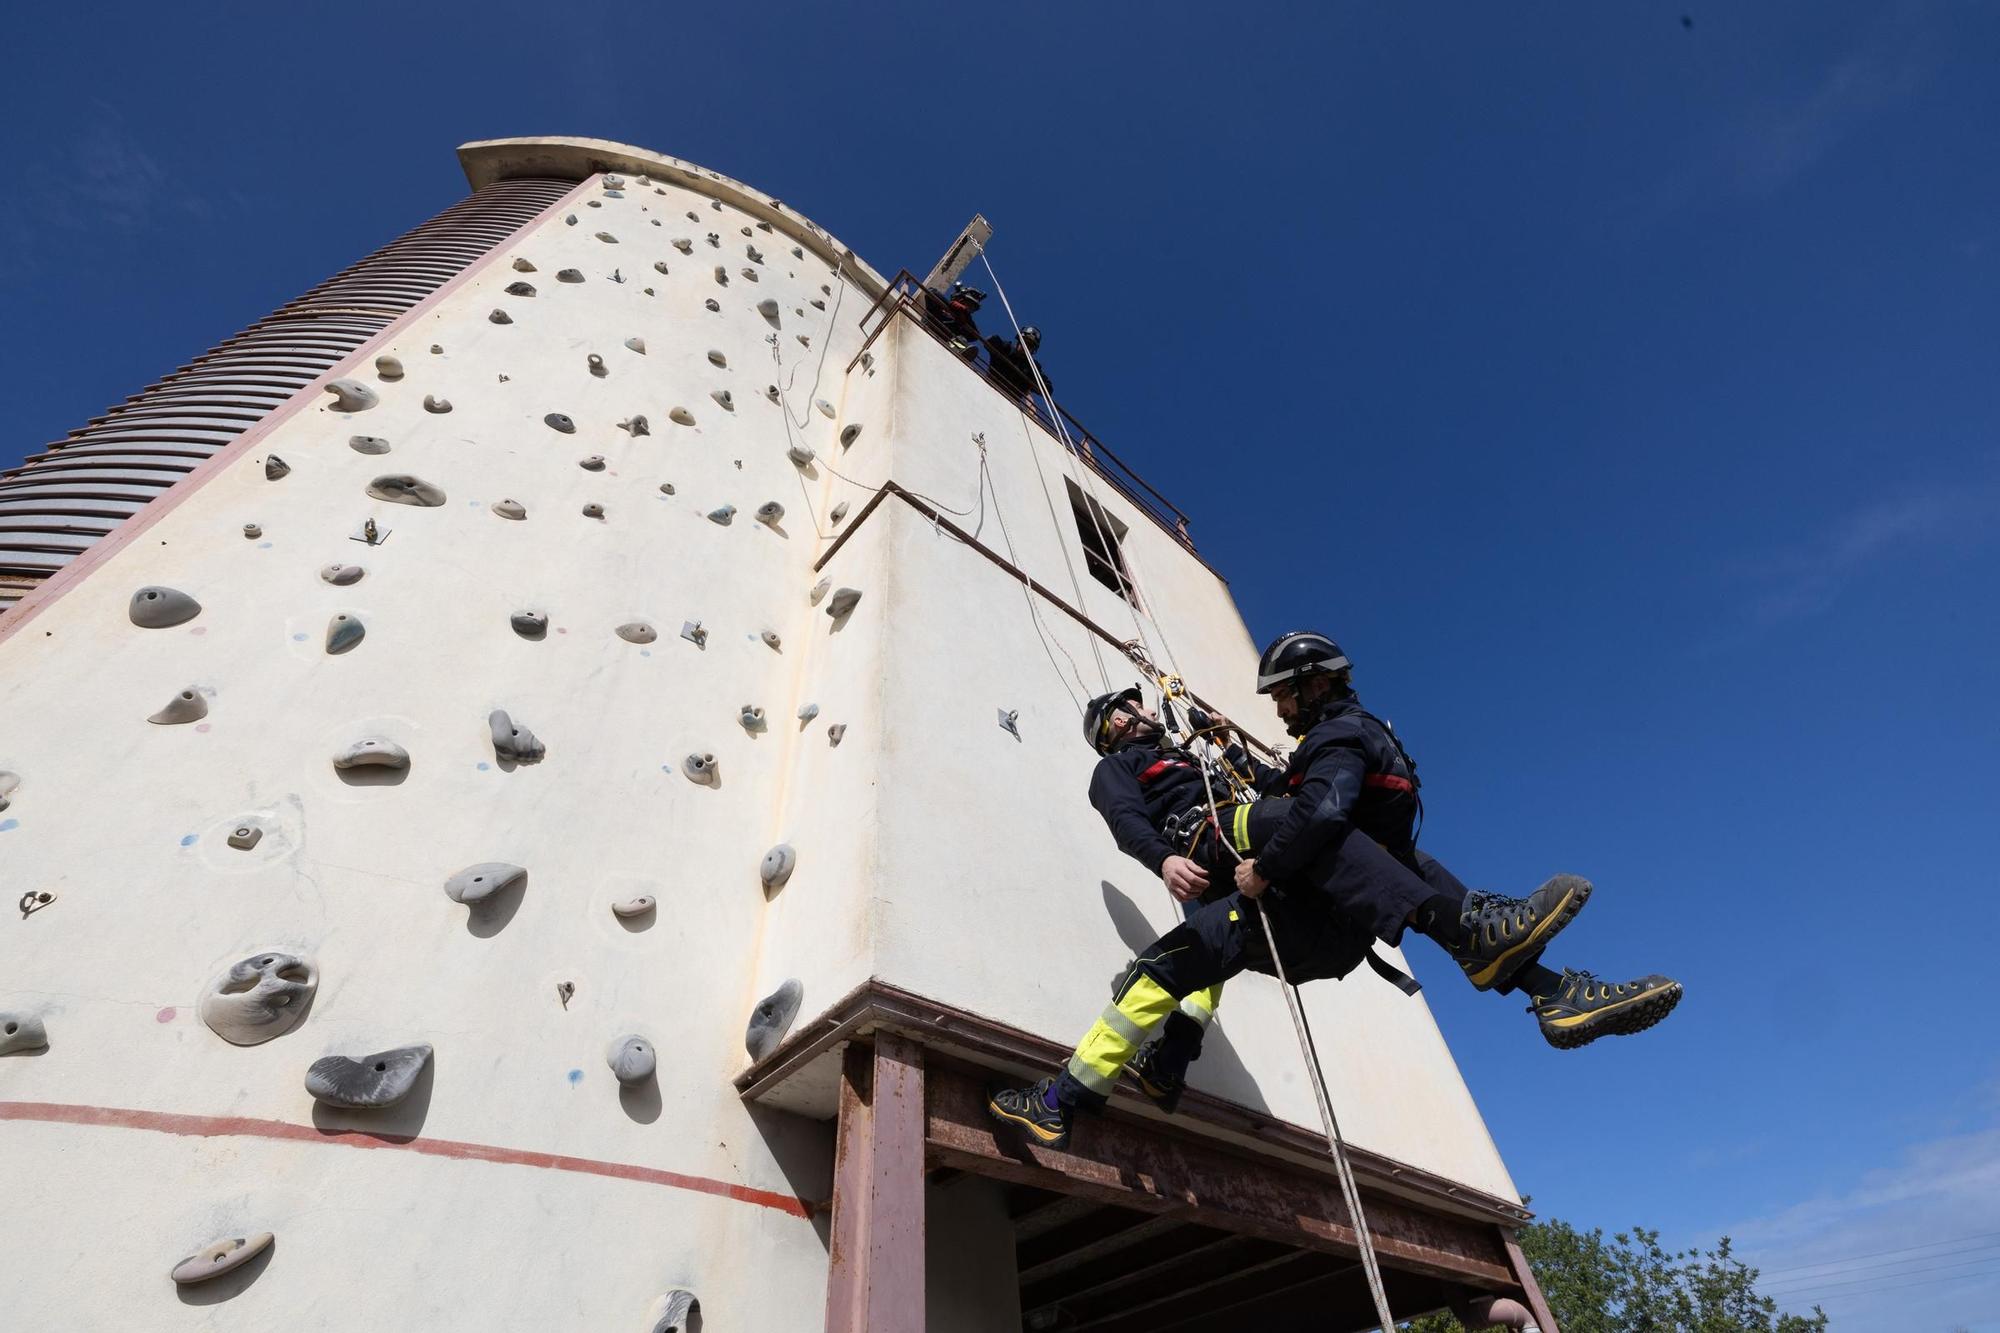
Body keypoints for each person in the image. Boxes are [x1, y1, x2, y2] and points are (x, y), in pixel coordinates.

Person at [987, 634, 1683, 1150]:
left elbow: (1273, 792)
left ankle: (1546, 988)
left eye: (1136, 708)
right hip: (1213, 842)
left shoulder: (1196, 756)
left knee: (1364, 840)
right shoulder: (1121, 770)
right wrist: (1165, 859)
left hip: (1290, 901)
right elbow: (1125, 822)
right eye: (1119, 715)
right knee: (1203, 931)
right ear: (1106, 735)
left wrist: (1229, 751)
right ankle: (1063, 1097)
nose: (1136, 716)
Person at [984, 325, 1052, 410]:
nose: (1026, 347)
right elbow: (990, 341)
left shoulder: (1032, 369)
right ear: (1019, 340)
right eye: (1025, 342)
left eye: (1030, 345)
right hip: (988, 389)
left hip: (1010, 405)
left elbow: (1048, 388)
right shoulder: (1006, 349)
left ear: (1033, 350)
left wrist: (1033, 383)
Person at [920, 281, 986, 358]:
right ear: (960, 299)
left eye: (971, 308)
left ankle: (960, 353)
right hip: (928, 331)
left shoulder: (961, 321)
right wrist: (950, 305)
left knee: (961, 338)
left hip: (943, 344)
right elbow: (931, 292)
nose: (969, 308)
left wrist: (967, 317)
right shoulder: (942, 307)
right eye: (968, 304)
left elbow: (975, 336)